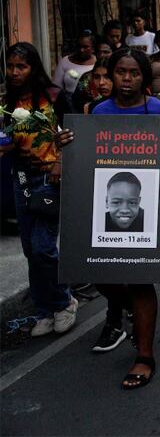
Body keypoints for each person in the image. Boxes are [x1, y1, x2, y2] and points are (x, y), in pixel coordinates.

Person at [55, 46, 160, 388]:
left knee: (142, 279)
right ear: (110, 75)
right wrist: (67, 147)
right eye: (120, 72)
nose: (127, 79)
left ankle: (144, 355)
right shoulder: (98, 112)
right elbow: (89, 162)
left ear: (144, 77)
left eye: (134, 73)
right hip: (106, 213)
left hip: (147, 215)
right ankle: (128, 308)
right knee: (100, 274)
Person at [2, 43, 77, 338]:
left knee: (44, 246)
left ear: (34, 67)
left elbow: (73, 134)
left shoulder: (55, 97)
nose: (15, 72)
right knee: (29, 249)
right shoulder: (9, 101)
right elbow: (9, 140)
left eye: (21, 66)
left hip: (50, 177)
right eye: (10, 66)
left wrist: (60, 162)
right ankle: (44, 311)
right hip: (21, 176)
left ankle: (64, 302)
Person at [52, 30, 96, 95]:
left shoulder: (98, 63)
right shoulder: (65, 61)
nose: (81, 50)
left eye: (85, 47)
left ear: (93, 48)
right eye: (79, 46)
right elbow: (56, 88)